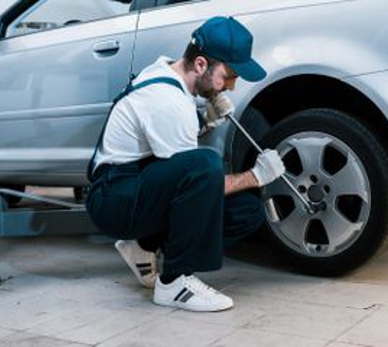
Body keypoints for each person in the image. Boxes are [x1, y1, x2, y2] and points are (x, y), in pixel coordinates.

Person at [85, 17, 286, 312]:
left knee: (245, 212)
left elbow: (168, 161)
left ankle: (144, 245)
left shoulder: (169, 73)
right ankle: (174, 283)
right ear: (201, 65)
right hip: (114, 197)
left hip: (136, 184)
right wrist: (255, 177)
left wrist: (205, 121)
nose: (230, 86)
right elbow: (195, 179)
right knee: (205, 164)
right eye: (228, 75)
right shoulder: (168, 101)